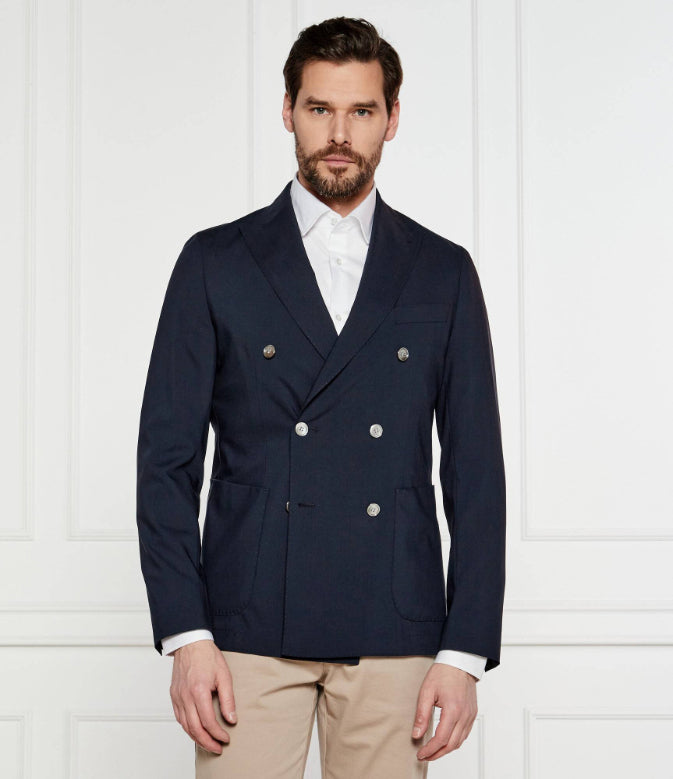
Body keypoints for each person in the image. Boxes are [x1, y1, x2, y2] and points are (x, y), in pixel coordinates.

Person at [136, 15, 506, 779]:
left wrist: (464, 649)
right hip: (244, 629)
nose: (339, 134)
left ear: (391, 118)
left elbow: (476, 473)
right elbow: (165, 464)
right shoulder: (215, 261)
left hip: (394, 626)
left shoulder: (442, 271)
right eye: (319, 108)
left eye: (361, 110)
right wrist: (186, 634)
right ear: (287, 110)